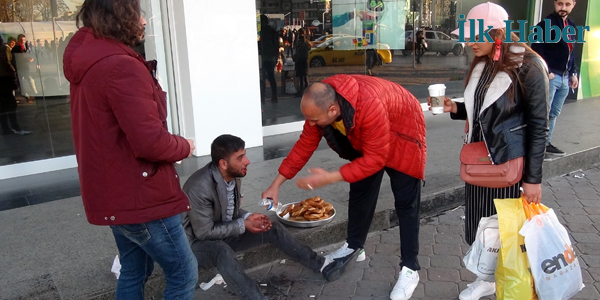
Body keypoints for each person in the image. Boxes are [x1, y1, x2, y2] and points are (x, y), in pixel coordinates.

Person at [63, 0, 198, 298]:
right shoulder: (121, 66)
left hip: (116, 194)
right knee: (184, 273)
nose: (145, 21)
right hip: (141, 196)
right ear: (121, 16)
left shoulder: (92, 62)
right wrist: (183, 146)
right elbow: (150, 142)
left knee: (134, 270)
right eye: (139, 13)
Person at [262, 75, 427, 300]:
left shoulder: (369, 104)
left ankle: (410, 268)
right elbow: (304, 145)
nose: (310, 124)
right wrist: (276, 185)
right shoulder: (320, 103)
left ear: (332, 110)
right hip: (370, 134)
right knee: (360, 191)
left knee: (406, 204)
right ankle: (354, 247)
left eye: (314, 120)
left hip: (402, 131)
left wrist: (330, 177)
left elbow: (376, 159)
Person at [441, 3, 549, 299]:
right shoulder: (483, 60)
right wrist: (457, 108)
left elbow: (540, 125)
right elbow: (485, 109)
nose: (469, 42)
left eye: (476, 36)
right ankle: (486, 278)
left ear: (497, 32)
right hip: (478, 160)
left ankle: (507, 280)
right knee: (480, 223)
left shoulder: (528, 65)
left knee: (505, 226)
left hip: (508, 163)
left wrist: (533, 179)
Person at [182, 134, 342, 299]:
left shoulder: (232, 175)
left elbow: (228, 211)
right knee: (222, 251)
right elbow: (203, 232)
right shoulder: (199, 187)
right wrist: (244, 224)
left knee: (272, 227)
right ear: (223, 163)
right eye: (240, 157)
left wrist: (250, 217)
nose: (247, 161)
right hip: (196, 244)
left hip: (223, 230)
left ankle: (321, 264)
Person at [531, 0, 578, 159]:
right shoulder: (545, 25)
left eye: (567, 4)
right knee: (542, 113)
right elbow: (535, 50)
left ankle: (545, 144)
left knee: (554, 113)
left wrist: (574, 73)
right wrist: (548, 71)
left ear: (573, 5)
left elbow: (572, 53)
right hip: (551, 77)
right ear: (554, 4)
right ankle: (536, 147)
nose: (563, 8)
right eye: (560, 4)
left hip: (565, 78)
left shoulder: (571, 26)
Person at [0, 37, 30, 136]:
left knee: (5, 106)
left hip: (4, 80)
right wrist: (13, 71)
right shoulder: (4, 49)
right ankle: (14, 127)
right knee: (10, 104)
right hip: (5, 80)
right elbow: (7, 63)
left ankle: (7, 128)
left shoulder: (4, 49)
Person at [259, 15, 279, 103]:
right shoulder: (268, 31)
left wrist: (275, 57)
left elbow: (275, 46)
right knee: (267, 78)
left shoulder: (266, 32)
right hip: (266, 57)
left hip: (267, 57)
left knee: (267, 78)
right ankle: (268, 97)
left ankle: (268, 97)